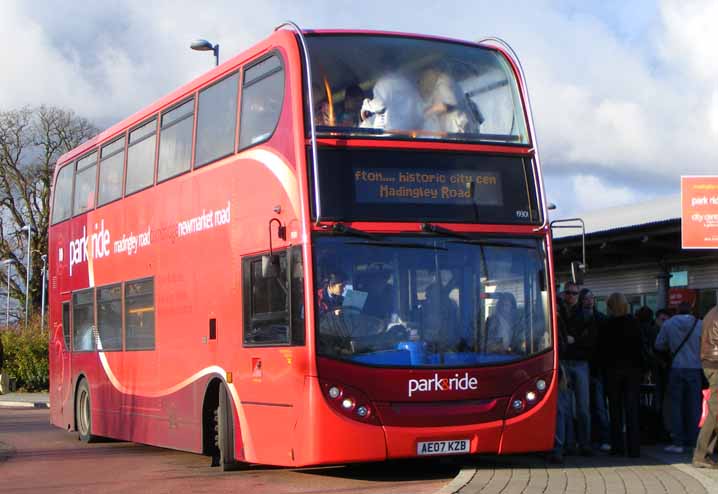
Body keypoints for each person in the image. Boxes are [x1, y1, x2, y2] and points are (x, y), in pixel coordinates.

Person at [597, 292, 644, 457]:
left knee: (615, 410)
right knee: (632, 410)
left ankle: (617, 446)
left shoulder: (606, 325)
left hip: (612, 372)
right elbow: (641, 349)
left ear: (610, 307)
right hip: (632, 372)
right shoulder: (634, 323)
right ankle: (634, 448)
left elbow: (601, 350)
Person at [655, 301, 703, 454]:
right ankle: (694, 440)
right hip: (695, 369)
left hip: (676, 368)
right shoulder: (700, 324)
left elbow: (659, 345)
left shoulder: (668, 324)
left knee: (675, 406)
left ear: (676, 311)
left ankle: (678, 442)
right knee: (694, 405)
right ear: (691, 310)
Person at [563, 284, 597, 456]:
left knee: (582, 407)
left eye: (574, 293)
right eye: (568, 293)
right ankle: (570, 443)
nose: (571, 296)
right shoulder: (560, 311)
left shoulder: (584, 314)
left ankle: (584, 443)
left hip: (579, 361)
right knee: (567, 406)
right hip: (566, 361)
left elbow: (590, 339)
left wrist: (573, 340)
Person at [578, 289, 611, 452]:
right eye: (586, 298)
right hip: (586, 364)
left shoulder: (600, 319)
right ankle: (593, 438)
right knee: (588, 405)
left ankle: (602, 437)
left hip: (596, 366)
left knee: (598, 405)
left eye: (591, 298)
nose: (589, 301)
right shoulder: (583, 318)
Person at [693, 305, 718, 469]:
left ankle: (703, 454)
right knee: (716, 410)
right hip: (716, 363)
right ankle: (701, 454)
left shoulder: (712, 311)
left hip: (710, 362)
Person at [360, 67, 422, 131]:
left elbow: (379, 105)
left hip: (391, 132)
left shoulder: (384, 83)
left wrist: (365, 105)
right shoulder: (407, 84)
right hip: (408, 131)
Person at [418, 66, 477, 134]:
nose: (420, 85)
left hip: (456, 130)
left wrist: (429, 111)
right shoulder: (446, 84)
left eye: (421, 80)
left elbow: (450, 106)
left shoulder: (441, 85)